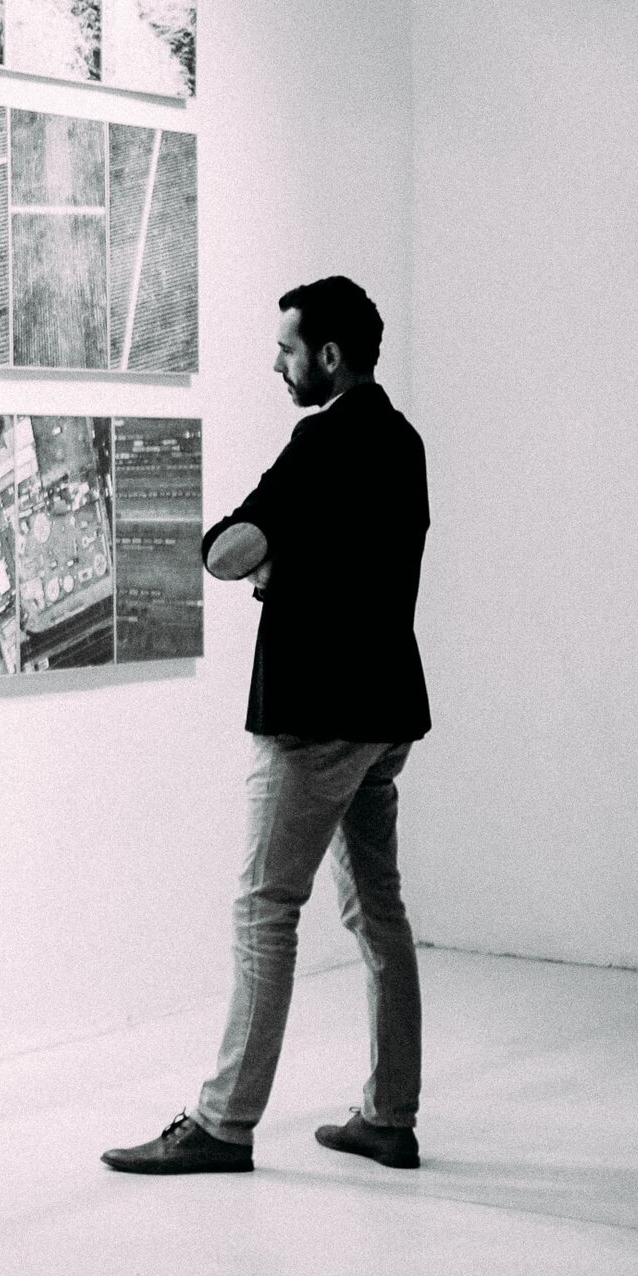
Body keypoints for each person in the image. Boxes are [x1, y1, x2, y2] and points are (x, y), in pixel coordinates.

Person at [104, 276, 431, 1176]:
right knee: (379, 910)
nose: (277, 365)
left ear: (329, 354)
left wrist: (273, 555)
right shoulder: (404, 442)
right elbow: (365, 558)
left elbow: (225, 549)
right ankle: (390, 1115)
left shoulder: (320, 441)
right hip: (384, 713)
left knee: (264, 908)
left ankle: (223, 1122)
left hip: (315, 716)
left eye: (288, 349)